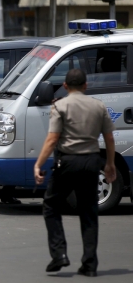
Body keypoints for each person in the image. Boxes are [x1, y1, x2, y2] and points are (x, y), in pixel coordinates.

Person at [34, 69, 116, 277]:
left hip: (68, 162)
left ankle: (59, 254)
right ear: (86, 85)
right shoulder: (98, 106)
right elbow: (109, 138)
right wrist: (110, 165)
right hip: (91, 162)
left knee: (51, 205)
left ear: (65, 85)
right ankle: (89, 264)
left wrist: (38, 164)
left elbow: (52, 139)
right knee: (89, 212)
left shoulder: (60, 106)